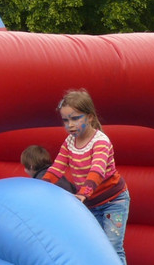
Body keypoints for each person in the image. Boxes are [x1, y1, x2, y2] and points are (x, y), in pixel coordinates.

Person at [42, 89, 130, 264]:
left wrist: (83, 193)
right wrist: (40, 187)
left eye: (75, 118)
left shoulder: (100, 142)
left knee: (112, 247)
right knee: (95, 247)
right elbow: (57, 168)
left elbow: (96, 171)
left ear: (89, 117)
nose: (70, 125)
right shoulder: (69, 142)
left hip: (114, 202)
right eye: (65, 120)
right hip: (91, 204)